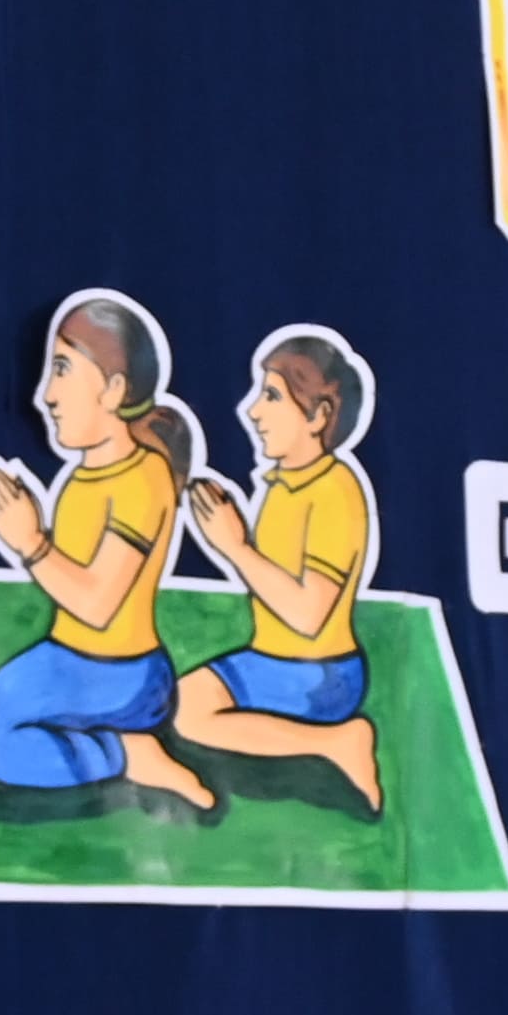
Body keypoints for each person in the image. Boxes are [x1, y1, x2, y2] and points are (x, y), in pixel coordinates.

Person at [0, 291, 217, 815]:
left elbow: (99, 605)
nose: (45, 396)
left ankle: (128, 754)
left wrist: (30, 541)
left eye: (62, 370)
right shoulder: (80, 479)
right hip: (69, 660)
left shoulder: (143, 478)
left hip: (122, 675)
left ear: (114, 389)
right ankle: (108, 746)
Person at [172, 325, 384, 816]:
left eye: (271, 396)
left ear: (318, 416)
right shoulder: (285, 484)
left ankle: (337, 742)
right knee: (177, 701)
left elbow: (309, 614)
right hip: (272, 660)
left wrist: (235, 547)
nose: (252, 411)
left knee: (188, 716)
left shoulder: (335, 491)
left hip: (320, 673)